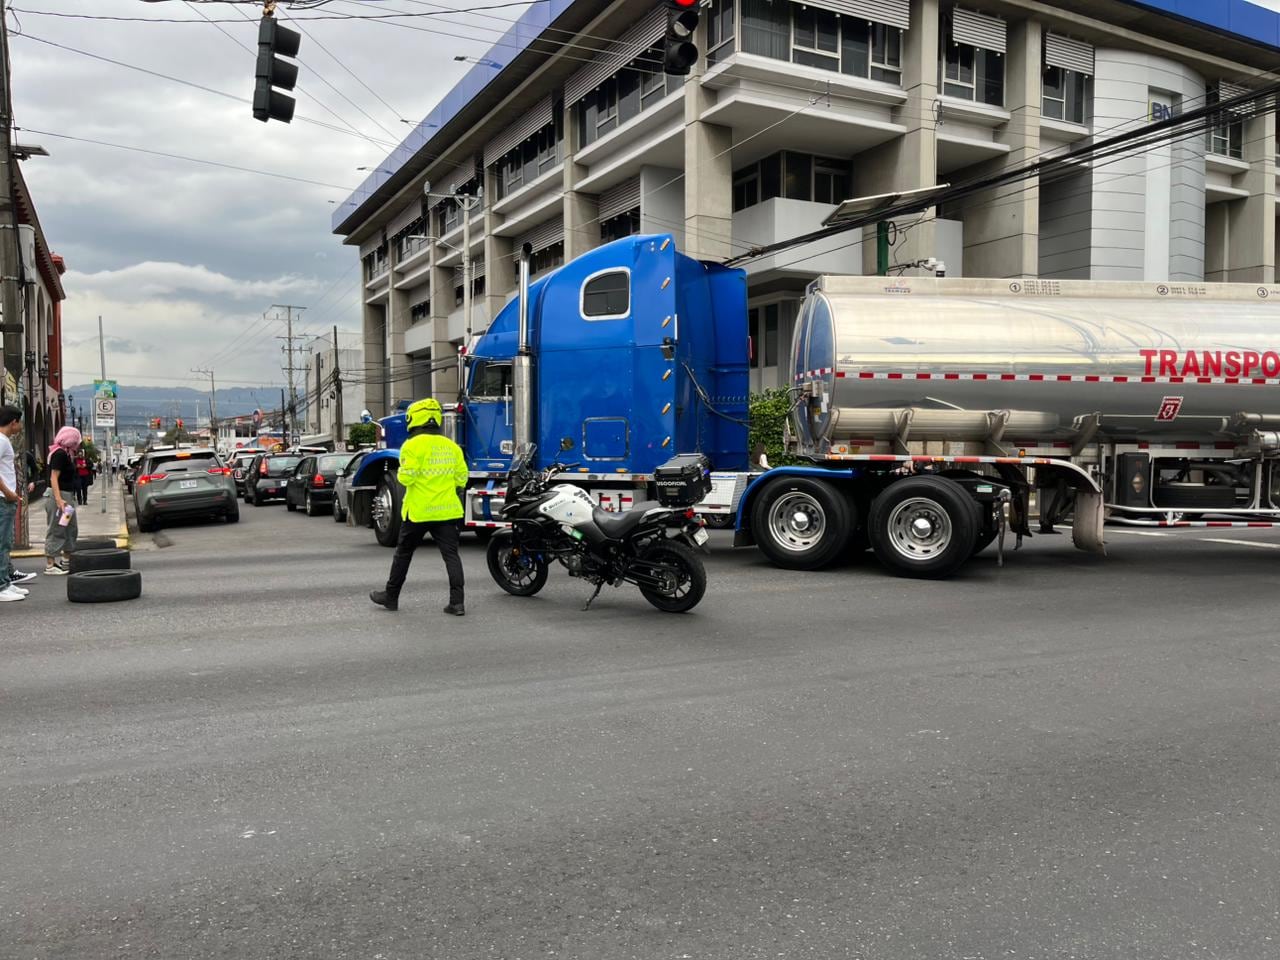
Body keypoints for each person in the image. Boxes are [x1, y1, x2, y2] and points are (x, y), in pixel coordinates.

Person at [370, 398, 468, 616]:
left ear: (414, 419)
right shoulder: (452, 447)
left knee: (403, 554)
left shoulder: (411, 445)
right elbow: (462, 478)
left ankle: (391, 596)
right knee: (451, 556)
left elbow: (406, 478)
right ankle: (457, 603)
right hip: (447, 511)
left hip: (419, 512)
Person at [0, 405, 33, 601]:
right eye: (20, 422)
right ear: (13, 422)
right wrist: (8, 493)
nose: (20, 427)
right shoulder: (2, 441)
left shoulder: (4, 441)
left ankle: (5, 581)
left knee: (6, 542)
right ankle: (1, 586)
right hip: (3, 498)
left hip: (6, 498)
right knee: (2, 543)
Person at [43, 425, 82, 576]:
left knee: (70, 528)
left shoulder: (65, 454)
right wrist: (59, 499)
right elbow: (54, 477)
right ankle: (50, 564)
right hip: (59, 496)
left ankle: (66, 559)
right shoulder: (59, 454)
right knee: (57, 528)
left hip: (66, 496)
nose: (77, 444)